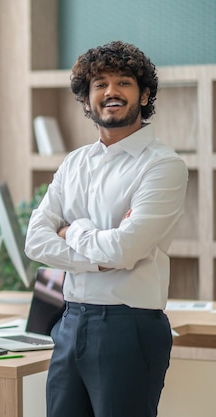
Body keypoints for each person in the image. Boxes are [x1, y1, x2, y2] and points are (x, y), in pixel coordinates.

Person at [24, 41, 188, 417]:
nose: (111, 92)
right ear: (86, 100)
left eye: (123, 83)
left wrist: (73, 229)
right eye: (99, 84)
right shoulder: (74, 162)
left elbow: (124, 250)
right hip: (69, 322)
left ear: (144, 95)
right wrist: (99, 258)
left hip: (128, 327)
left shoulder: (163, 166)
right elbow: (36, 240)